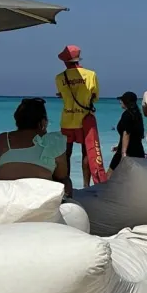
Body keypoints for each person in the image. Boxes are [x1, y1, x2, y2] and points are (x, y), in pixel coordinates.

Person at [0, 98, 71, 196]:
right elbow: (61, 175)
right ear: (43, 122)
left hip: (5, 196)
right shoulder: (54, 141)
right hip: (39, 197)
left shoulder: (2, 139)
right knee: (66, 181)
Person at [53, 45, 105, 187]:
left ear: (65, 61)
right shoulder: (91, 75)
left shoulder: (59, 77)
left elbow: (63, 94)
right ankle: (86, 185)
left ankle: (66, 183)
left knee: (66, 154)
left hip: (67, 119)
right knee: (87, 152)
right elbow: (94, 97)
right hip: (84, 119)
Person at [109, 91, 146, 173]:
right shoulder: (137, 114)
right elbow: (135, 135)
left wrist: (123, 153)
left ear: (126, 102)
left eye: (122, 100)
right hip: (138, 150)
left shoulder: (127, 115)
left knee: (110, 176)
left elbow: (127, 133)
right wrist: (118, 146)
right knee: (134, 177)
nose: (120, 102)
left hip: (126, 151)